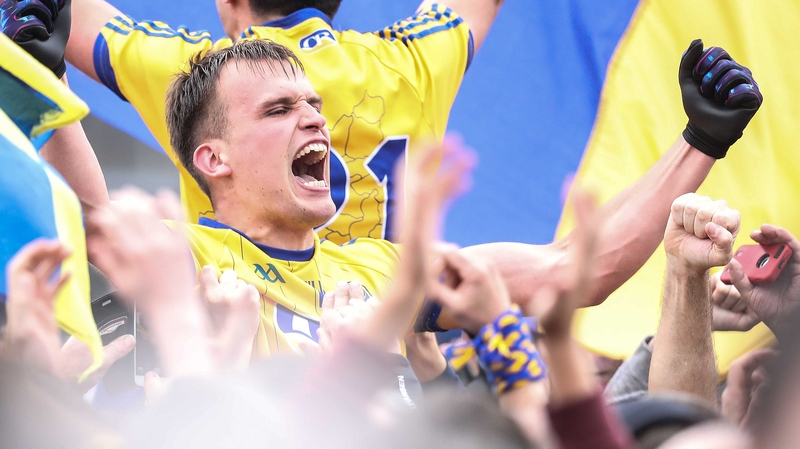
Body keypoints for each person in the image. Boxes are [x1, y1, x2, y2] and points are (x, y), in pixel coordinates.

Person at [138, 36, 760, 357]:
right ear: (212, 159)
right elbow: (64, 221)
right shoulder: (178, 254)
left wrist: (700, 140)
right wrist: (43, 86)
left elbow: (575, 269)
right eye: (279, 109)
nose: (315, 122)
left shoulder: (385, 273)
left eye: (315, 105)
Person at [64, 0, 503, 244]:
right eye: (279, 110)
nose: (313, 120)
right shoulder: (413, 60)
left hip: (247, 360)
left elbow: (50, 18)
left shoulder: (203, 73)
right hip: (389, 362)